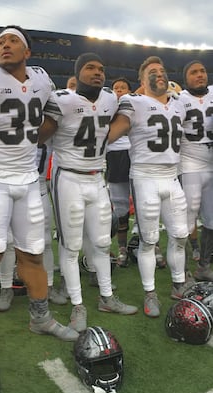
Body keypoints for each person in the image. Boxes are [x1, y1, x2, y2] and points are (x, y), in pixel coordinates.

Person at [0, 25, 79, 352]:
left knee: (34, 253)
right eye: (1, 41)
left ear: (27, 51)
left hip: (28, 178)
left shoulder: (41, 78)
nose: (5, 45)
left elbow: (53, 113)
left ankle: (40, 317)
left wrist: (36, 138)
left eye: (13, 40)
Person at [38, 53, 138, 332]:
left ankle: (106, 297)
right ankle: (77, 305)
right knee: (71, 246)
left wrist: (109, 135)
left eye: (101, 69)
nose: (98, 72)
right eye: (90, 68)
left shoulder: (110, 98)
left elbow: (125, 115)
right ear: (77, 72)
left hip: (97, 177)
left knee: (102, 243)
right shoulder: (62, 99)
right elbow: (40, 135)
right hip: (69, 177)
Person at [107, 56, 193, 317]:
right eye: (153, 71)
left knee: (180, 234)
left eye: (162, 70)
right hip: (145, 176)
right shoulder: (134, 102)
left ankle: (178, 284)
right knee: (149, 240)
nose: (160, 74)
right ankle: (150, 292)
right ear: (142, 81)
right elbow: (114, 131)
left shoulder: (179, 103)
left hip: (172, 176)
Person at [177, 60, 213, 281]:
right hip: (190, 163)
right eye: (194, 72)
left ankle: (204, 266)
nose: (200, 75)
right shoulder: (178, 99)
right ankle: (181, 269)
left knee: (211, 220)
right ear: (185, 78)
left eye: (202, 71)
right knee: (188, 215)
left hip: (212, 163)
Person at [106, 77, 133, 267]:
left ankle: (151, 246)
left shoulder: (138, 106)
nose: (119, 90)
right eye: (116, 87)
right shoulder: (106, 107)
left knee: (144, 203)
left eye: (123, 87)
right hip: (114, 157)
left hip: (135, 154)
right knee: (120, 206)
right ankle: (122, 248)